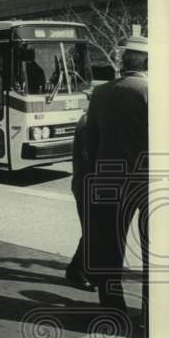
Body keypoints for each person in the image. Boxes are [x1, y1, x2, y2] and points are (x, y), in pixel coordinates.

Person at [82, 36, 149, 332]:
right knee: (153, 249)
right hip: (148, 178)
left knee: (109, 248)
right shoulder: (154, 92)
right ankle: (151, 316)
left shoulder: (102, 93)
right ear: (148, 62)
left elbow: (90, 139)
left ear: (124, 62)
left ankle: (113, 312)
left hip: (108, 175)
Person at [64, 111, 94, 291]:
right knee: (93, 231)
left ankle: (82, 269)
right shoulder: (88, 121)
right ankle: (75, 270)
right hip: (87, 184)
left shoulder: (93, 118)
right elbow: (90, 153)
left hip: (88, 183)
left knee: (95, 230)